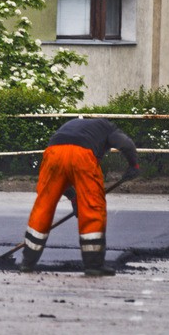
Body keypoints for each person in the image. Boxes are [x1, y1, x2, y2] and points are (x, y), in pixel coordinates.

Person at [20, 118, 139, 276]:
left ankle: (27, 262)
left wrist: (74, 198)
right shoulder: (107, 127)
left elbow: (61, 178)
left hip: (53, 153)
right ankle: (94, 265)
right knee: (92, 207)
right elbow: (126, 144)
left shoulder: (73, 125)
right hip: (82, 155)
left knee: (44, 205)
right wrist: (134, 165)